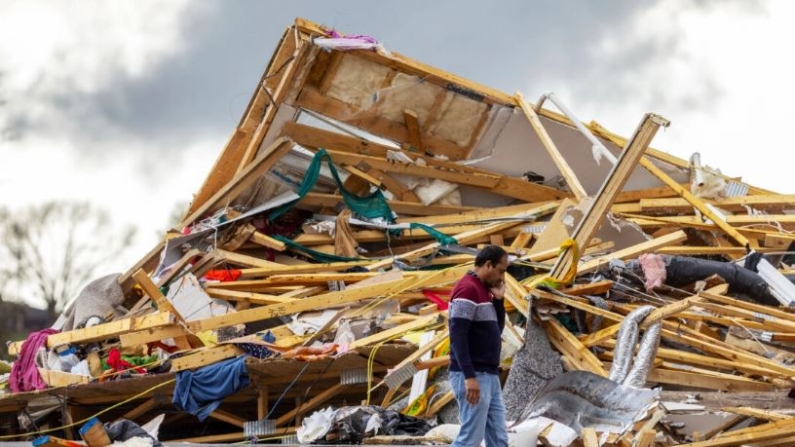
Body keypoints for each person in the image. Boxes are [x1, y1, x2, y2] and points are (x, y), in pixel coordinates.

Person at [448, 245, 509, 447]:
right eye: (501, 271)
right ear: (488, 264)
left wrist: (499, 301)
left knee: (499, 439)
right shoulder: (468, 288)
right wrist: (469, 376)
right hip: (475, 376)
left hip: (489, 375)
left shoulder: (483, 291)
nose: (502, 277)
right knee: (470, 440)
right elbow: (458, 335)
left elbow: (496, 330)